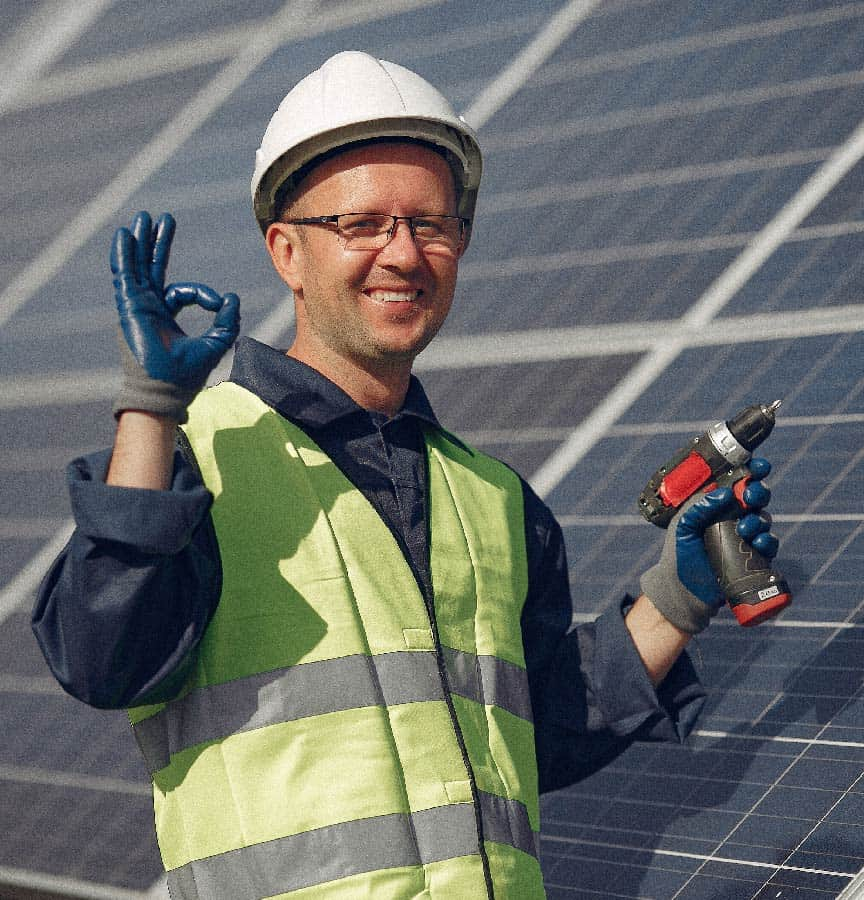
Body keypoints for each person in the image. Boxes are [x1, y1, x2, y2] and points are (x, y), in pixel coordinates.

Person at [32, 52, 780, 900]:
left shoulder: (494, 501)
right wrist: (151, 406)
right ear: (286, 252)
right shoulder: (186, 465)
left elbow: (531, 738)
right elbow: (102, 660)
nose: (404, 254)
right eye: (362, 225)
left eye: (431, 225)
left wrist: (675, 600)